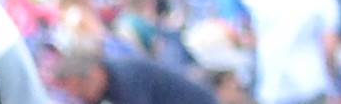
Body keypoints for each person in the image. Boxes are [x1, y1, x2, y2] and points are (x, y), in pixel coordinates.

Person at [241, 0, 341, 104]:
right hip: (310, 86)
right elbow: (329, 44)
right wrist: (331, 79)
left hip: (272, 85)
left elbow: (254, 36)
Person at [56, 46, 221, 104]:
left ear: (95, 73)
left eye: (81, 87)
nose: (79, 94)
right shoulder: (105, 84)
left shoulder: (127, 81)